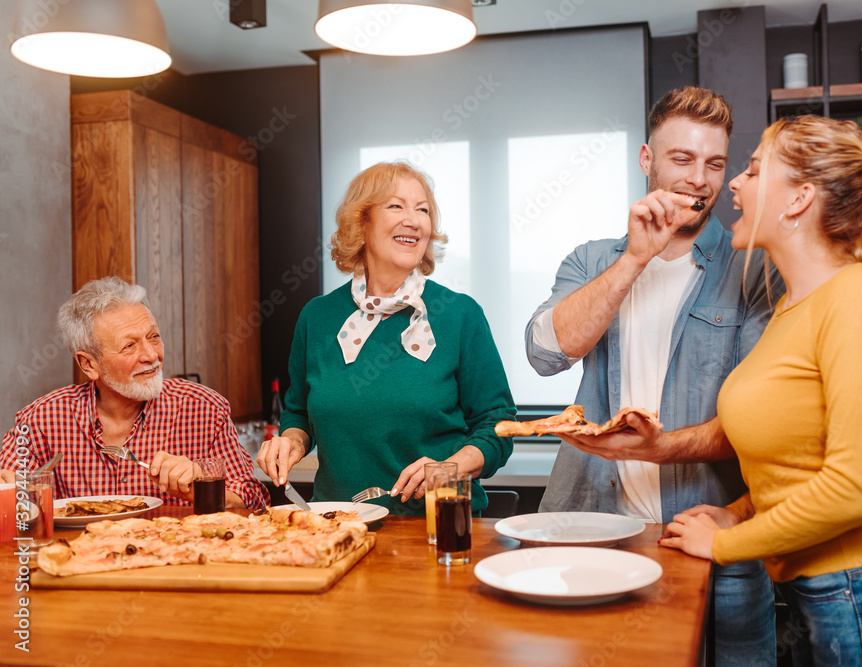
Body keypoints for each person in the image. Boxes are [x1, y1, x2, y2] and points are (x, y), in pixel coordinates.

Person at [658, 115, 862, 664]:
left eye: (753, 171)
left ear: (798, 199)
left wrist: (724, 545)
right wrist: (738, 512)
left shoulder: (861, 297)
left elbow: (857, 487)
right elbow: (799, 464)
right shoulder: (791, 308)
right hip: (834, 597)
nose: (733, 184)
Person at [526, 87, 779, 665]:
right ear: (647, 160)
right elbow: (546, 352)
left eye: (715, 164)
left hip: (713, 539)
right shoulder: (594, 260)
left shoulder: (754, 266)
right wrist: (634, 259)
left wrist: (661, 447)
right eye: (682, 160)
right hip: (594, 534)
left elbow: (758, 420)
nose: (699, 179)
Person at [257, 162, 515, 515]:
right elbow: (299, 413)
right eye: (396, 206)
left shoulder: (460, 315)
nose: (414, 219)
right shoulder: (317, 317)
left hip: (436, 528)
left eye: (422, 210)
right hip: (336, 523)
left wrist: (447, 469)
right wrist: (289, 443)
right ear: (361, 222)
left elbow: (497, 427)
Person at [0, 277, 268, 509]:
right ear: (89, 364)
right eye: (129, 346)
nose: (152, 355)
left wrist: (203, 487)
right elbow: (8, 489)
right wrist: (10, 494)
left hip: (177, 560)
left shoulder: (204, 408)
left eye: (153, 337)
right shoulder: (41, 420)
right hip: (76, 562)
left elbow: (255, 498)